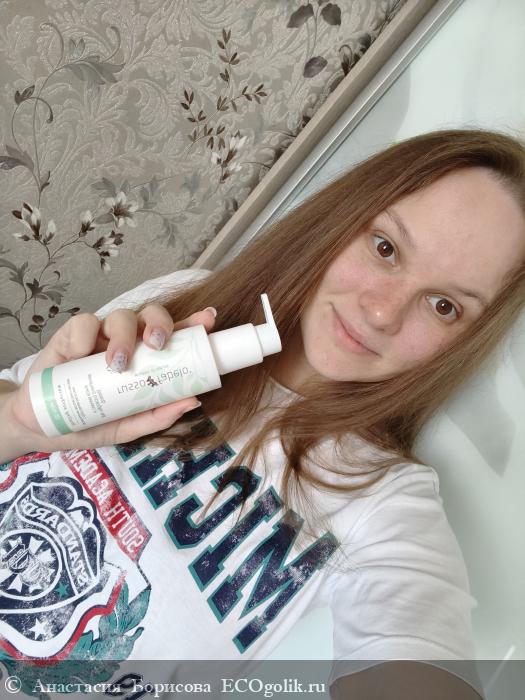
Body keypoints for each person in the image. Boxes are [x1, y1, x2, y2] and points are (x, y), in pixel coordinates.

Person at [1, 128, 524, 699]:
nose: (381, 312)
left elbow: (416, 657)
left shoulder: (387, 505)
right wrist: (21, 422)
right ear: (342, 219)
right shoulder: (188, 304)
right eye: (385, 248)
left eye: (444, 306)